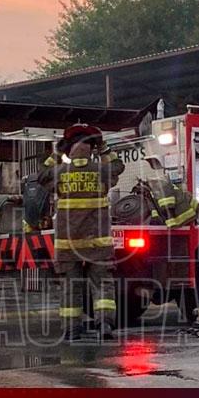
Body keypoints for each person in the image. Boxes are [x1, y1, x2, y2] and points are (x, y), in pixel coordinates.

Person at [39, 124, 124, 340]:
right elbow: (118, 166)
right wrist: (104, 149)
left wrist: (56, 153)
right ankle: (104, 324)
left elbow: (41, 176)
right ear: (91, 149)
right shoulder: (101, 171)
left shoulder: (60, 173)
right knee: (102, 285)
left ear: (69, 149)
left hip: (68, 245)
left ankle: (71, 329)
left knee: (70, 287)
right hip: (98, 243)